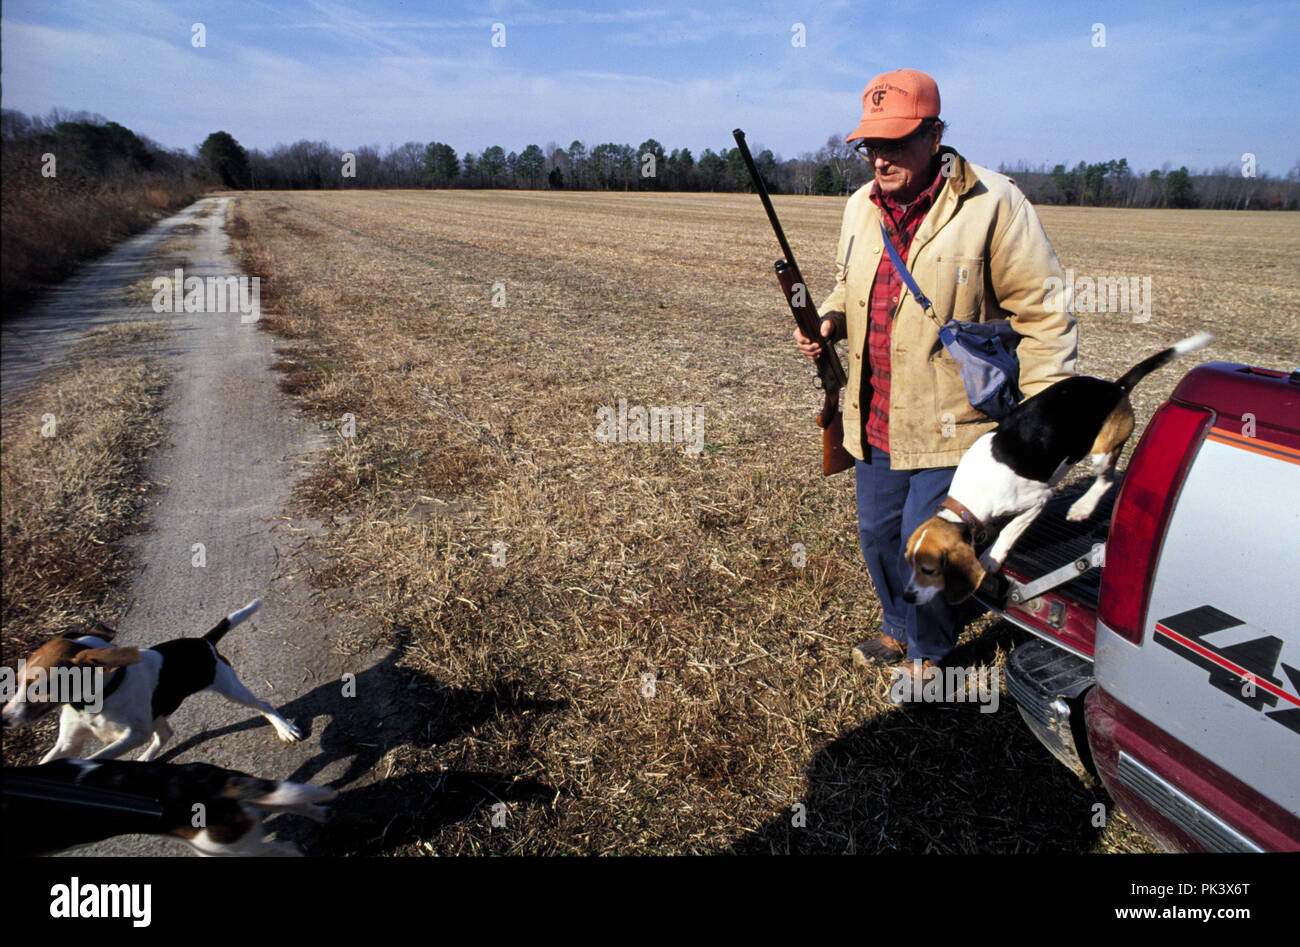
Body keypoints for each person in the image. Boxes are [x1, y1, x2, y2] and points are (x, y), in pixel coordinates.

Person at [794, 68, 1077, 690]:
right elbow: (849, 284)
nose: (880, 159)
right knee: (877, 533)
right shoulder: (860, 208)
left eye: (895, 143)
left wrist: (1046, 414)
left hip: (955, 417)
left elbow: (1043, 310)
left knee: (927, 542)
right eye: (871, 146)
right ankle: (900, 622)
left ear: (934, 135)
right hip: (873, 410)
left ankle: (931, 651)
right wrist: (830, 320)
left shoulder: (994, 203)